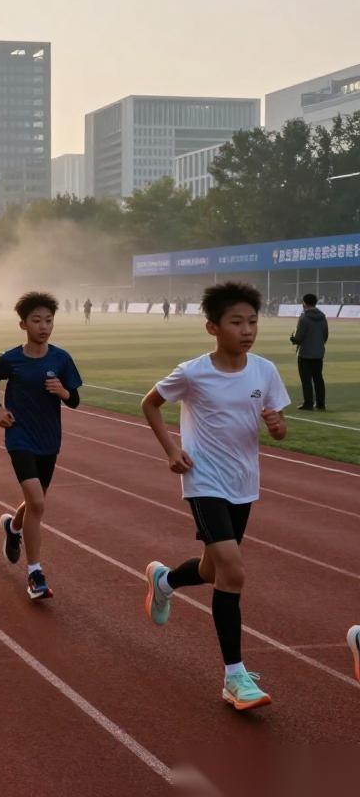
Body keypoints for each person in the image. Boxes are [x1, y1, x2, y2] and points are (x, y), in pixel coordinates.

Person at [141, 281, 290, 713]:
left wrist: (278, 428)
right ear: (212, 327)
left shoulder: (264, 370)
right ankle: (234, 677)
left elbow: (277, 424)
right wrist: (172, 450)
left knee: (212, 568)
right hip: (204, 480)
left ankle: (164, 580)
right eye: (236, 322)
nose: (247, 330)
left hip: (245, 483)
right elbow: (150, 404)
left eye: (253, 321)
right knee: (234, 573)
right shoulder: (192, 372)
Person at [0, 292, 83, 601]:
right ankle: (35, 573)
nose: (43, 326)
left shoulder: (61, 358)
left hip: (49, 439)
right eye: (36, 320)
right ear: (23, 324)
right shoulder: (11, 359)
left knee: (34, 502)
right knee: (38, 503)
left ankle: (13, 527)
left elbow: (76, 400)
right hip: (20, 437)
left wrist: (63, 392)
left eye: (49, 320)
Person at [290, 293, 328, 411]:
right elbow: (325, 335)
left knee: (306, 380)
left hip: (305, 353)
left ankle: (308, 403)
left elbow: (299, 337)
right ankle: (320, 403)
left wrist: (293, 339)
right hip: (318, 353)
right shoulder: (322, 316)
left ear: (304, 303)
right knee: (318, 379)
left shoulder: (304, 317)